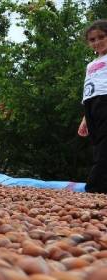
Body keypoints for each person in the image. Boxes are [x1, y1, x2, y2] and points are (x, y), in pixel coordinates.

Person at [78, 19, 107, 193]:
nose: (97, 42)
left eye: (101, 37)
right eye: (92, 39)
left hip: (105, 101)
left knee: (105, 143)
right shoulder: (91, 64)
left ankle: (96, 187)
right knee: (97, 144)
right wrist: (84, 119)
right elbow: (89, 89)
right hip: (91, 105)